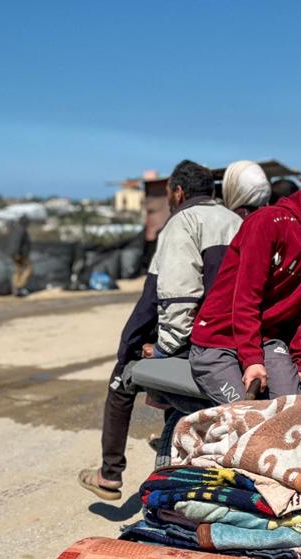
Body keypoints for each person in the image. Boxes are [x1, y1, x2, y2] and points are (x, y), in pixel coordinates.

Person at [77, 160, 241, 500]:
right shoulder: (236, 220)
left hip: (199, 344)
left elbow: (170, 299)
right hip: (238, 342)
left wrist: (143, 348)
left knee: (122, 380)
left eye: (168, 194)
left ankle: (109, 474)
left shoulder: (181, 224)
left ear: (178, 192)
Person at [189, 156, 301, 404]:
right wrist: (252, 360)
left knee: (291, 412)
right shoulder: (267, 223)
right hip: (218, 340)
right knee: (251, 417)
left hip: (267, 340)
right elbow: (246, 299)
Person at [7, 217, 32, 297]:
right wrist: (17, 254)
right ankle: (19, 286)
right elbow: (17, 243)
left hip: (16, 254)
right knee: (28, 270)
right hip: (21, 254)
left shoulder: (16, 229)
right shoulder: (21, 230)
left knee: (17, 271)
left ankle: (16, 289)